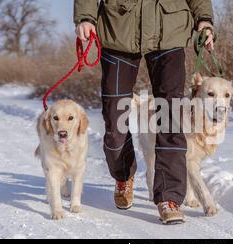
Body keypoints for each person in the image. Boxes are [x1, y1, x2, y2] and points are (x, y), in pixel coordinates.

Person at [74, 0, 215, 224]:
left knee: (171, 116)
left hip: (169, 30)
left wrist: (204, 19)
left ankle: (169, 198)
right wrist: (85, 17)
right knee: (114, 118)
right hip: (118, 29)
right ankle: (123, 175)